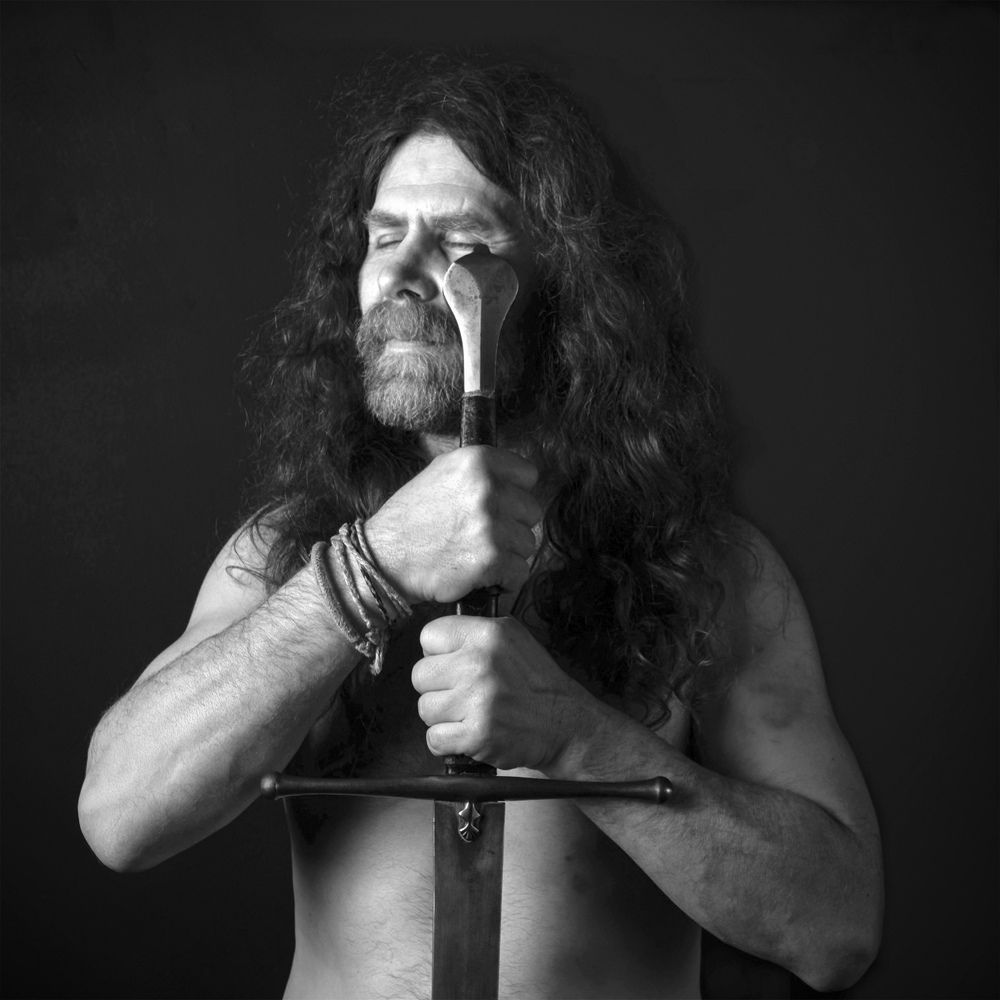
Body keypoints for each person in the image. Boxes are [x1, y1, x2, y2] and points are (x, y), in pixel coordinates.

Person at [78, 58, 883, 998]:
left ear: (571, 283)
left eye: (460, 240)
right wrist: (371, 569)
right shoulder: (285, 551)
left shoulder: (702, 566)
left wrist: (578, 739)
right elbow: (119, 819)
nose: (403, 273)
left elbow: (837, 932)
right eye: (385, 237)